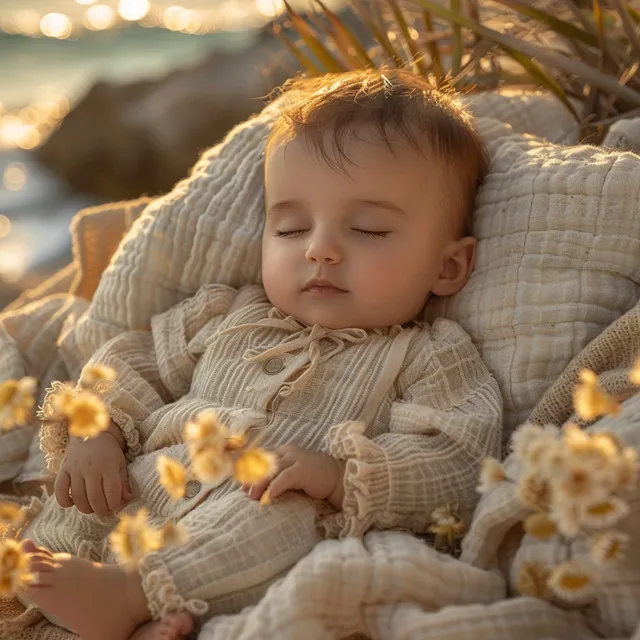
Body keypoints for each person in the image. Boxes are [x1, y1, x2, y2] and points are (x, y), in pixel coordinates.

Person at [17, 68, 502, 640]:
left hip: (259, 525)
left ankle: (133, 600)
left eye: (369, 230)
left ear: (448, 267)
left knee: (280, 517)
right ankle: (77, 596)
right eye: (292, 228)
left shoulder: (429, 356)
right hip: (148, 490)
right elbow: (127, 364)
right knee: (84, 505)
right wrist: (93, 434)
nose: (320, 249)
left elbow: (460, 460)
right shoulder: (227, 314)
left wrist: (338, 475)